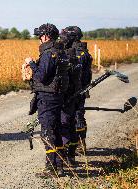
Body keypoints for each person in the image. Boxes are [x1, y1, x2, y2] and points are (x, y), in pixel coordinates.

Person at [24, 23, 70, 177]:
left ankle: (51, 169)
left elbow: (41, 77)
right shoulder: (60, 51)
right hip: (56, 96)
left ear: (45, 36)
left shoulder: (49, 53)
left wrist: (31, 64)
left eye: (39, 36)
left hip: (48, 98)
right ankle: (59, 167)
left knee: (47, 132)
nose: (39, 39)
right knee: (56, 131)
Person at [59, 27, 83, 166]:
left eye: (63, 38)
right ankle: (70, 156)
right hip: (74, 94)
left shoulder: (75, 55)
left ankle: (66, 158)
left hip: (70, 96)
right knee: (71, 124)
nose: (60, 40)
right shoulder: (74, 54)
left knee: (67, 125)